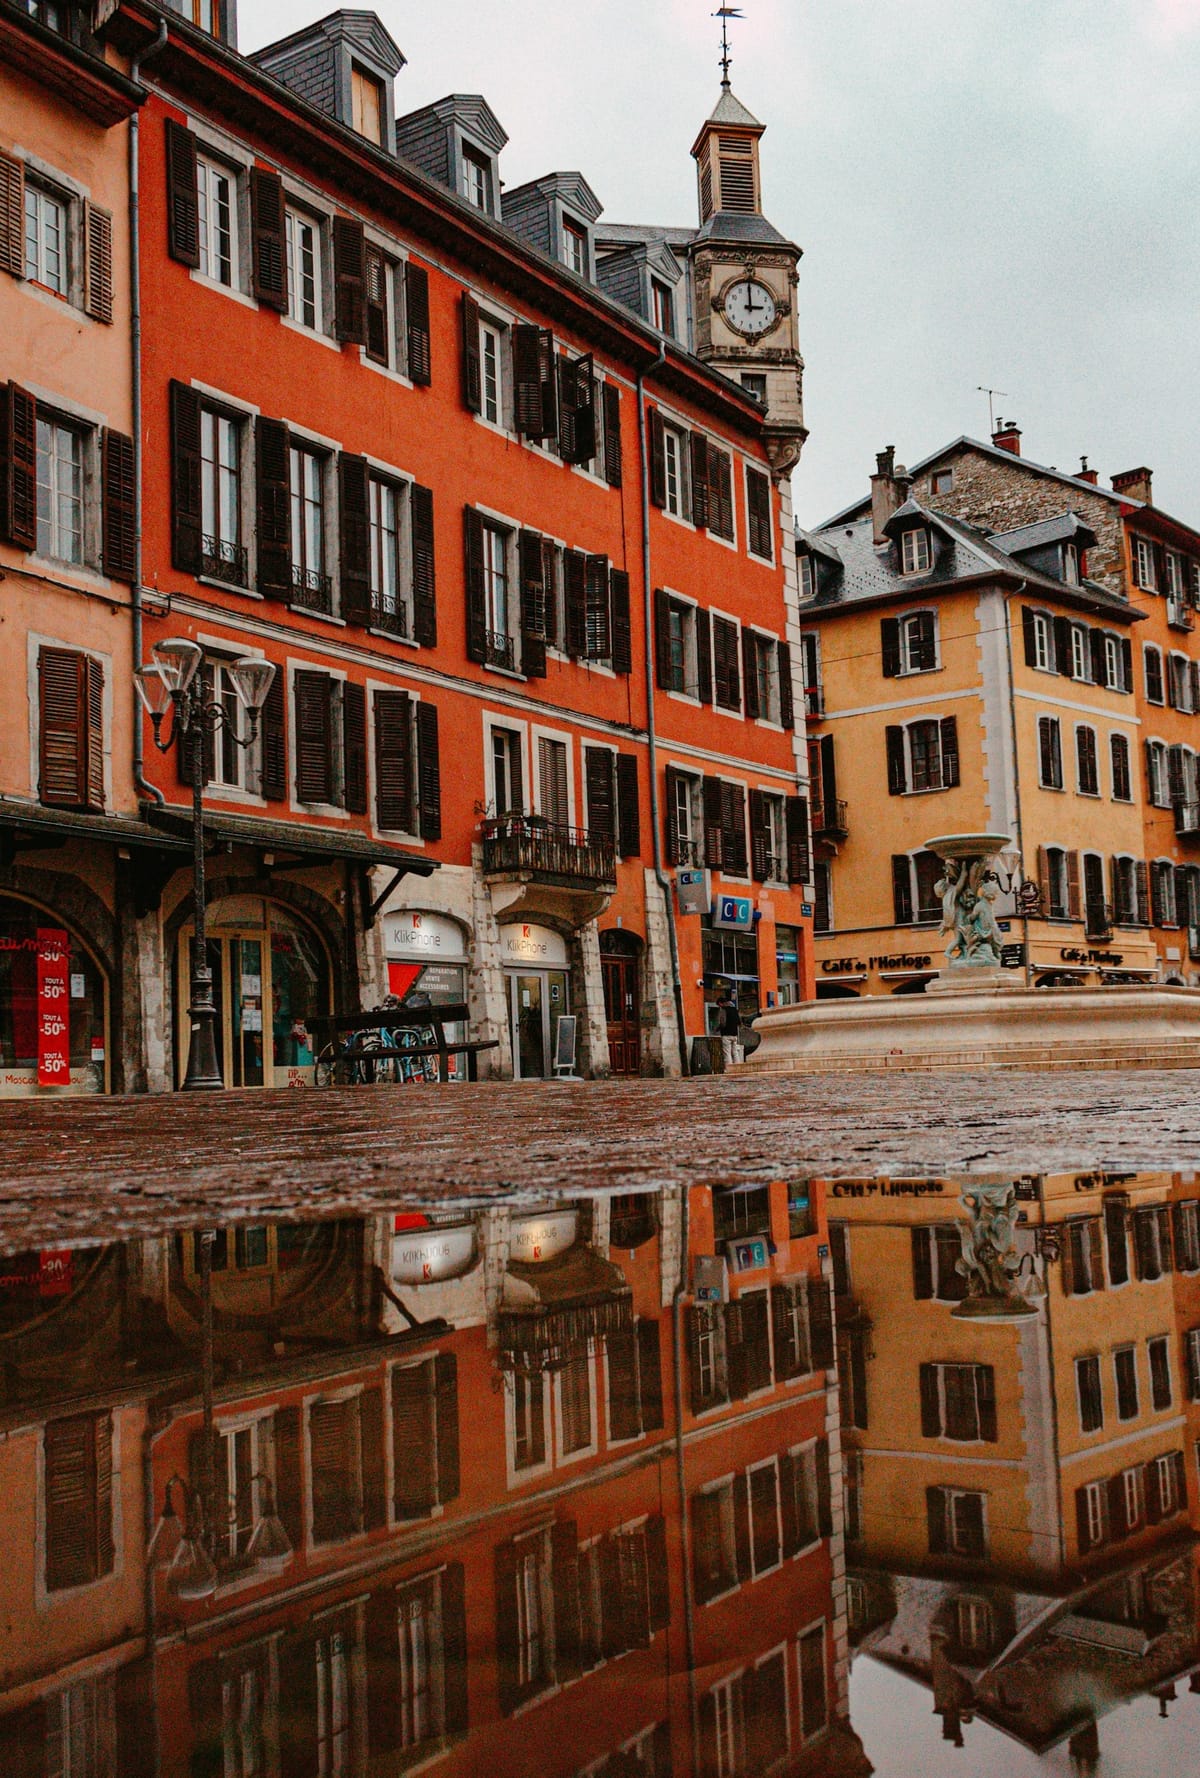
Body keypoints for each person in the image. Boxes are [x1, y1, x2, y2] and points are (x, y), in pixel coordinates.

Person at [715, 986, 742, 1069]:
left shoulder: (723, 1010)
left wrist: (718, 1028)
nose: (719, 1006)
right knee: (735, 1052)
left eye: (719, 1005)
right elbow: (739, 1022)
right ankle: (738, 1068)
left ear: (721, 1003)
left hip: (726, 1034)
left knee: (727, 1053)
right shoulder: (734, 1009)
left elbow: (723, 1023)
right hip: (735, 1034)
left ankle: (729, 1068)